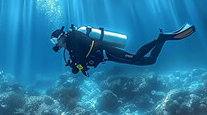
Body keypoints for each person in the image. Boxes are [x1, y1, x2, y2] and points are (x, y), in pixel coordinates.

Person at [50, 24, 195, 76]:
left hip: (107, 51)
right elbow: (82, 62)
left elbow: (91, 45)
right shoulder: (69, 48)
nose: (56, 44)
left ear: (61, 37)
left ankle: (160, 39)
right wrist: (78, 67)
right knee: (150, 61)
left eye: (55, 41)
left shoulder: (74, 36)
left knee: (135, 58)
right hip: (107, 56)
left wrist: (79, 62)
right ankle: (162, 39)